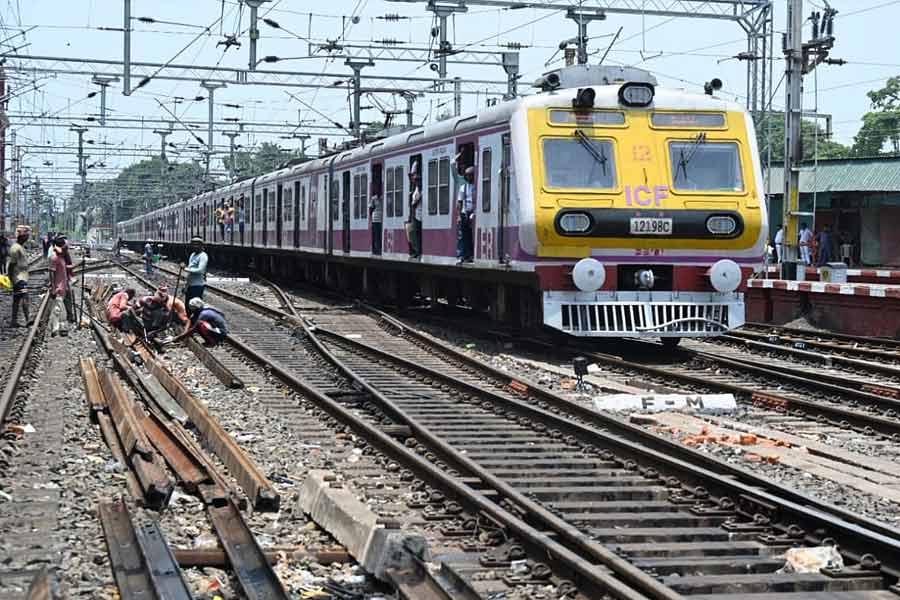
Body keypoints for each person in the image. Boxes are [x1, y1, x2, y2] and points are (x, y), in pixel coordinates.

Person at [7, 226, 32, 327]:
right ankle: (28, 319)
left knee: (16, 299)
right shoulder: (16, 248)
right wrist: (11, 278)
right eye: (25, 236)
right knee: (25, 297)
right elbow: (11, 265)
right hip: (19, 278)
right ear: (21, 237)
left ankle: (14, 321)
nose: (27, 237)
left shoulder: (20, 247)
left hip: (21, 277)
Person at [48, 237, 70, 337]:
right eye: (64, 248)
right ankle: (55, 329)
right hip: (57, 287)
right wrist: (53, 288)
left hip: (62, 287)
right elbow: (51, 273)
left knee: (59, 309)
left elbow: (64, 270)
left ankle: (58, 327)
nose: (66, 250)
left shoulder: (61, 257)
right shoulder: (55, 257)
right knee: (57, 309)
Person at [456, 165, 476, 264]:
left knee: (473, 235)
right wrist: (459, 215)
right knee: (464, 235)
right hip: (465, 213)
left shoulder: (477, 186)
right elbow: (459, 202)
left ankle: (472, 254)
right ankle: (464, 255)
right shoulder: (463, 187)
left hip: (474, 212)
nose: (469, 177)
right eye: (467, 175)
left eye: (470, 175)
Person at [184, 237, 208, 309]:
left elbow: (200, 270)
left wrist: (186, 269)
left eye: (197, 244)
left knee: (196, 308)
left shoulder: (203, 256)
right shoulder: (192, 255)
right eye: (193, 244)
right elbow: (190, 272)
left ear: (201, 245)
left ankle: (195, 320)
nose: (195, 246)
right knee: (188, 306)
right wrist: (186, 286)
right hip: (190, 285)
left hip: (197, 286)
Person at [408, 164, 422, 259]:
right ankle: (416, 251)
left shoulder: (421, 190)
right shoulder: (416, 189)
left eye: (418, 180)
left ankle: (419, 251)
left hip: (421, 214)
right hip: (416, 214)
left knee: (418, 233)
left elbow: (415, 203)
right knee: (413, 233)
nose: (416, 181)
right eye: (415, 180)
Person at [369, 181, 383, 256]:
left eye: (379, 189)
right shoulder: (373, 198)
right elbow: (371, 208)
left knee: (379, 235)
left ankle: (380, 249)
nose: (378, 191)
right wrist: (370, 219)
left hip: (381, 219)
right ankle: (376, 249)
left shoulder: (383, 197)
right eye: (377, 189)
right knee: (375, 235)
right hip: (375, 219)